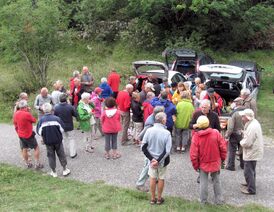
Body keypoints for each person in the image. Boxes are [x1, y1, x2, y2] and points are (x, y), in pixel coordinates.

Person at [190, 115, 227, 205]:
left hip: (203, 163)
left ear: (198, 125)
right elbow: (223, 148)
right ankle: (219, 200)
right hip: (215, 161)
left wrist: (196, 166)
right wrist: (222, 159)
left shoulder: (196, 136)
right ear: (208, 123)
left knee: (203, 182)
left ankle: (203, 201)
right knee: (216, 180)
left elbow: (193, 155)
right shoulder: (216, 133)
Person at [142, 112, 172, 205]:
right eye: (165, 118)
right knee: (161, 178)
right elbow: (167, 151)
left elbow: (143, 147)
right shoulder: (167, 133)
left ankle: (152, 198)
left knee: (152, 178)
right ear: (163, 120)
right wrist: (158, 161)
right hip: (162, 161)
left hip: (151, 160)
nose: (166, 120)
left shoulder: (149, 131)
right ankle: (159, 198)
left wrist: (152, 159)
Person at [36, 103, 70, 178]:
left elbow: (39, 132)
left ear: (43, 111)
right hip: (58, 140)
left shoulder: (41, 120)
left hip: (48, 141)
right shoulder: (57, 119)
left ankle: (54, 172)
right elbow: (62, 129)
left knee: (50, 156)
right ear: (51, 109)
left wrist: (43, 137)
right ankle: (64, 169)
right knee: (61, 154)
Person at [136, 106, 165, 192]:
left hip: (152, 147)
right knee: (148, 165)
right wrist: (139, 138)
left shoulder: (154, 119)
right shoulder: (150, 123)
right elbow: (142, 135)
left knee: (150, 165)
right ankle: (140, 183)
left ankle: (154, 177)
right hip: (149, 149)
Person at [239, 109, 263, 195]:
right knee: (251, 169)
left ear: (247, 117)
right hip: (254, 151)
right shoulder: (253, 123)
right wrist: (244, 133)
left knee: (248, 170)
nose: (242, 118)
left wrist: (240, 142)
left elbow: (247, 143)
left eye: (243, 116)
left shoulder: (252, 126)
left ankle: (251, 189)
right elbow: (250, 136)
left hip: (252, 151)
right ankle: (250, 183)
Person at [13, 100, 43, 169]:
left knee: (24, 149)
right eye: (27, 106)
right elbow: (34, 120)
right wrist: (29, 112)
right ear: (25, 107)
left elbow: (15, 123)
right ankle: (37, 164)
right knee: (36, 148)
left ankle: (27, 163)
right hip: (28, 134)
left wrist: (18, 131)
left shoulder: (16, 113)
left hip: (21, 135)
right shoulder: (27, 114)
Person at [54, 93, 78, 158]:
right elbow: (76, 114)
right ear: (66, 99)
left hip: (61, 126)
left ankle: (63, 153)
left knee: (63, 139)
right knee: (71, 139)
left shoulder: (56, 107)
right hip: (69, 126)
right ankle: (72, 153)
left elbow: (55, 116)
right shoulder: (70, 107)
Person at [225, 97, 245, 171]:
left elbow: (230, 127)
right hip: (244, 133)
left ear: (236, 103)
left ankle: (231, 165)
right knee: (242, 149)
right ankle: (243, 165)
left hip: (234, 134)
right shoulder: (247, 111)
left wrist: (227, 135)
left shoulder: (234, 113)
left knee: (232, 150)